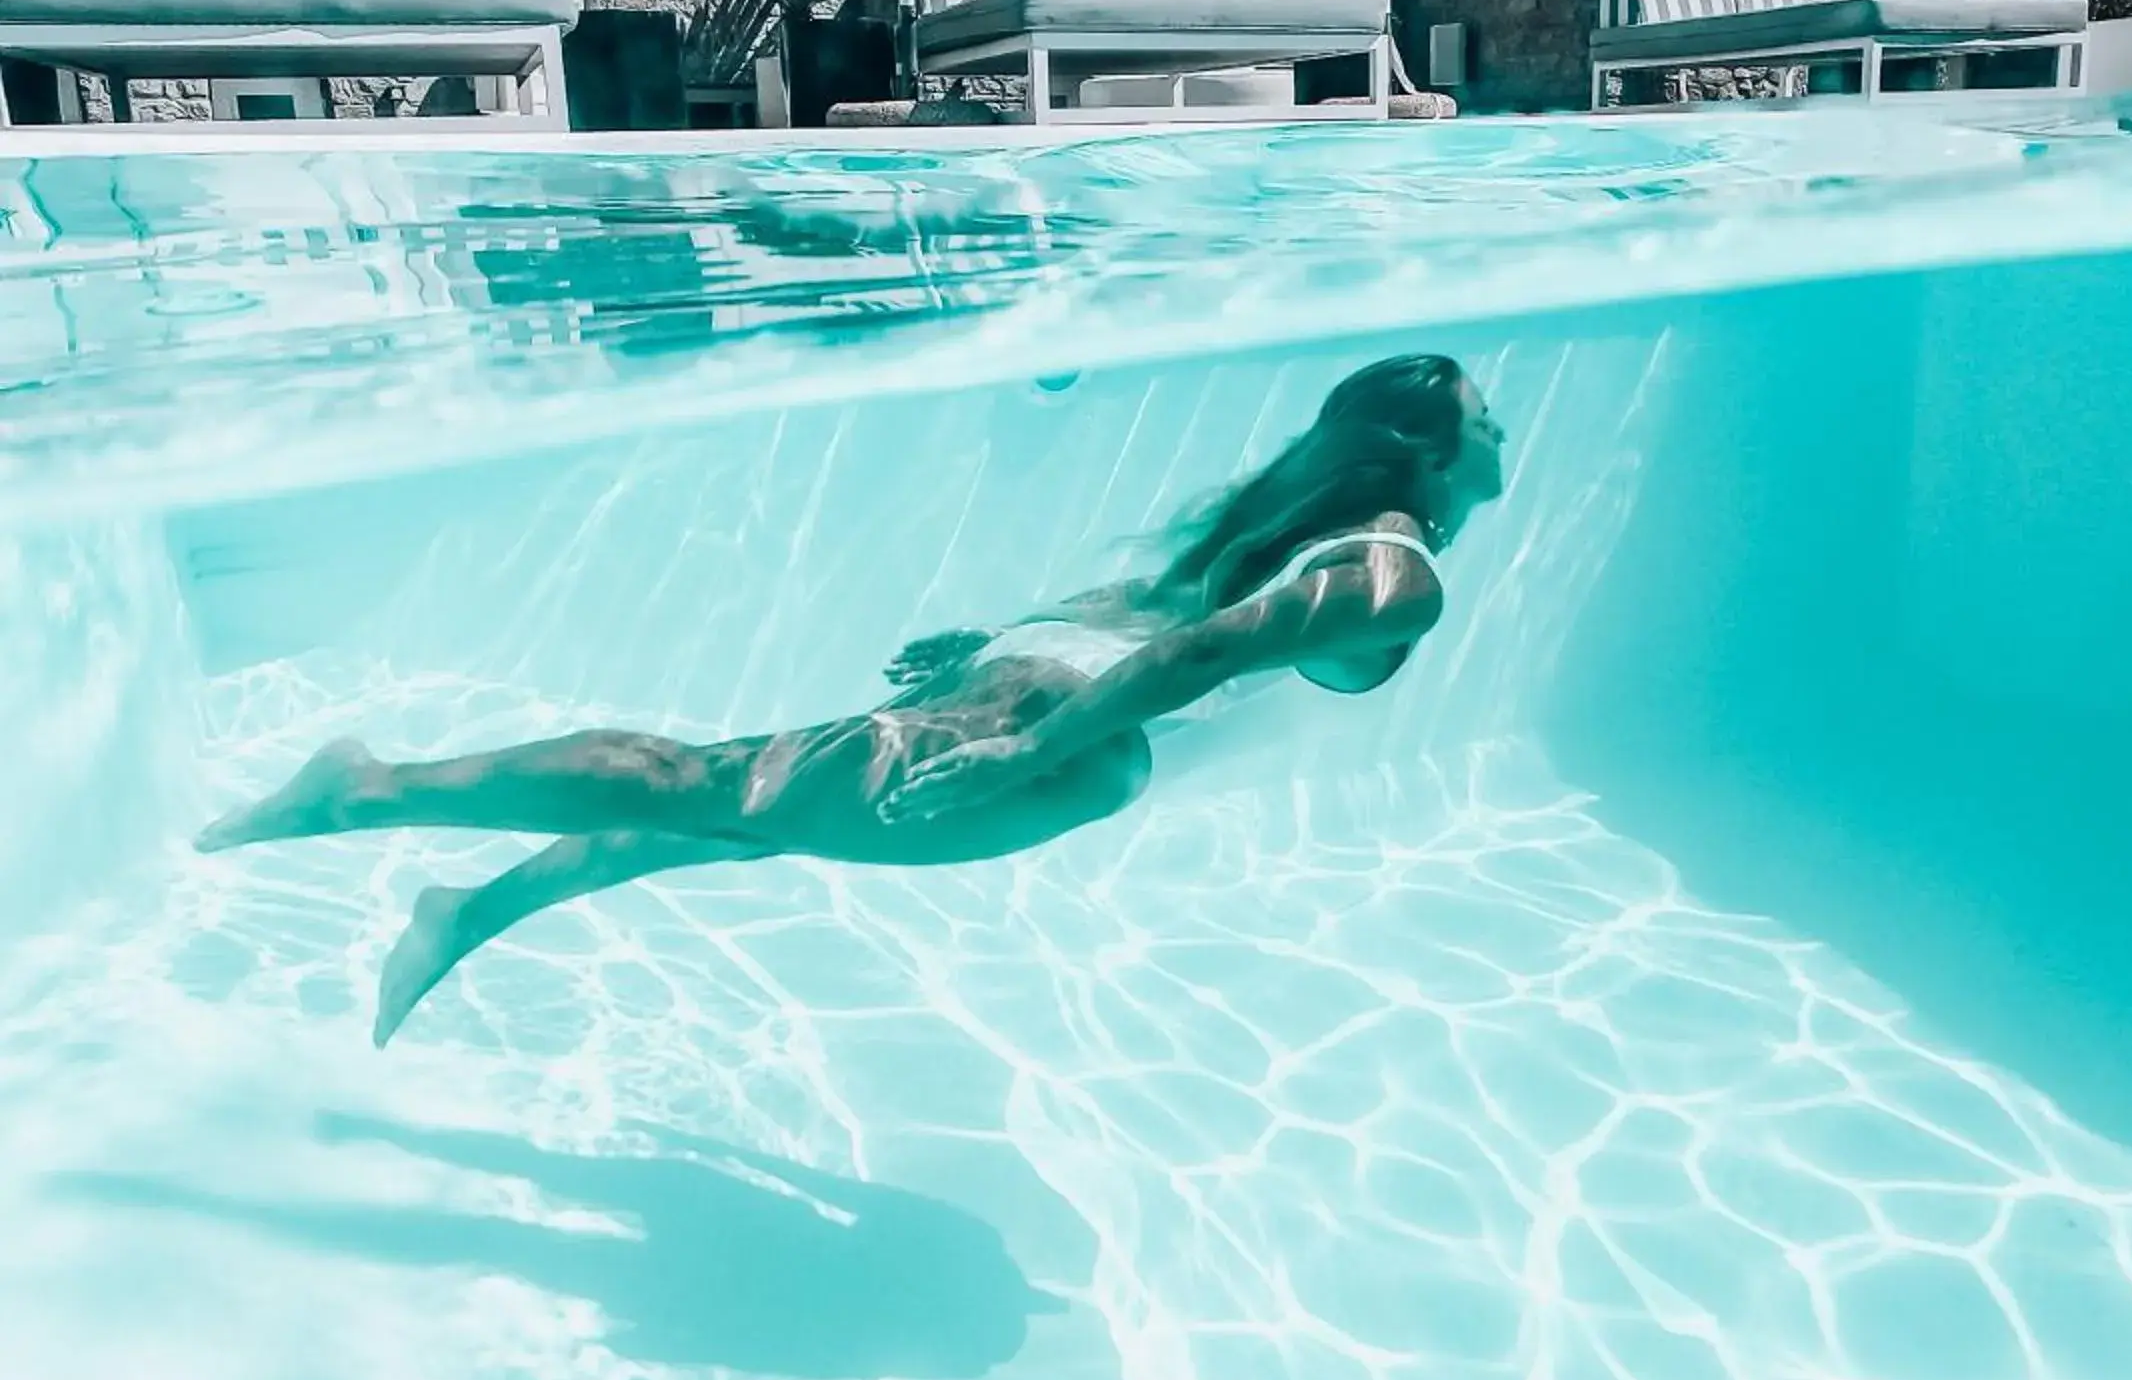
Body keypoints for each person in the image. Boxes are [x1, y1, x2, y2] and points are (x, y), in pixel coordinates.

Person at [200, 355, 1504, 1048]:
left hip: (1040, 682)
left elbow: (1150, 613)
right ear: (1428, 451)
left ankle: (473, 906)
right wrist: (1012, 752)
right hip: (1054, 730)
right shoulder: (1395, 574)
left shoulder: (1297, 517)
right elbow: (1194, 657)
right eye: (1485, 419)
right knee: (707, 787)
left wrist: (1000, 652)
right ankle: (371, 789)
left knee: (735, 810)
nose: (1503, 437)